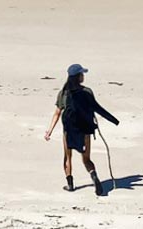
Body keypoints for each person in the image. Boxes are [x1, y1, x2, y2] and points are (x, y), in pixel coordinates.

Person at [43, 62, 119, 194]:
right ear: (78, 77)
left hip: (69, 132)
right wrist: (114, 120)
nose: (83, 76)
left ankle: (70, 184)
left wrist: (49, 130)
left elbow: (57, 113)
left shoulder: (63, 93)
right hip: (84, 131)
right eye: (82, 74)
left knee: (68, 157)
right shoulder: (87, 92)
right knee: (86, 159)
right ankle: (94, 176)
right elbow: (97, 108)